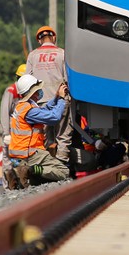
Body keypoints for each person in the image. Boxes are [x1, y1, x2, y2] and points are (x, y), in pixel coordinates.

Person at [6, 74, 71, 188]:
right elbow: (54, 117)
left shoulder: (22, 106)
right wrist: (61, 99)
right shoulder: (30, 111)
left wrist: (55, 97)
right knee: (63, 171)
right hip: (31, 153)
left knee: (37, 180)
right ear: (33, 91)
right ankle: (29, 170)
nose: (40, 91)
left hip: (20, 152)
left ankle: (18, 173)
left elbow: (43, 110)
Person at [26, 26, 73, 166]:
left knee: (43, 136)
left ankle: (46, 166)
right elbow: (68, 78)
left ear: (39, 40)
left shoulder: (32, 56)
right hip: (61, 99)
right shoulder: (62, 53)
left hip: (41, 103)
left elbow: (27, 81)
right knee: (63, 135)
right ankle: (62, 165)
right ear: (53, 38)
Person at [0, 64, 27, 187]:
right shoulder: (11, 91)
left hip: (22, 131)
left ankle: (20, 182)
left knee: (21, 159)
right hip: (11, 131)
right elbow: (5, 112)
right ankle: (8, 186)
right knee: (7, 160)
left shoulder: (27, 91)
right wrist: (6, 133)